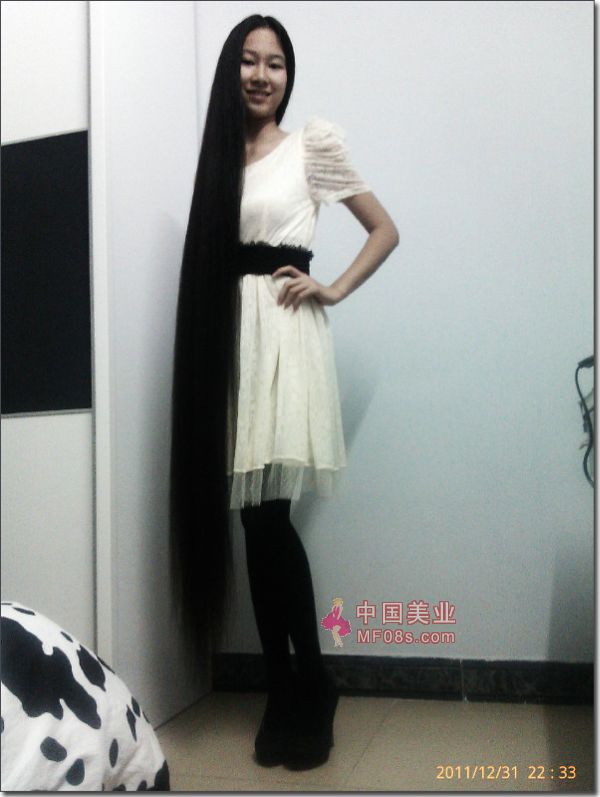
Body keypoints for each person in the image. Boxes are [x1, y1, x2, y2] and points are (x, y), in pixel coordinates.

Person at [169, 14, 399, 771]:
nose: (261, 75)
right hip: (232, 349)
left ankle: (313, 682)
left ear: (288, 76)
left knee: (271, 520)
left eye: (275, 63)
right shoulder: (218, 161)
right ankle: (285, 686)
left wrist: (332, 286)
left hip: (284, 342)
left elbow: (383, 229)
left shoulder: (311, 148)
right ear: (231, 71)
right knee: (253, 524)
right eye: (248, 60)